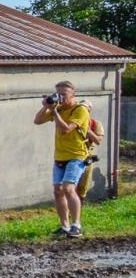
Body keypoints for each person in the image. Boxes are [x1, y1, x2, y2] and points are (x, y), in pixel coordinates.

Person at [33, 79, 91, 238]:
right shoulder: (57, 108)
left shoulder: (80, 110)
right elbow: (37, 121)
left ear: (73, 94)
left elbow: (66, 129)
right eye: (58, 94)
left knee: (68, 188)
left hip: (77, 155)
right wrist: (46, 106)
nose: (61, 97)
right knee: (58, 191)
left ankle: (76, 225)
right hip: (60, 156)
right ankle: (65, 226)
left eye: (64, 94)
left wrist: (55, 112)